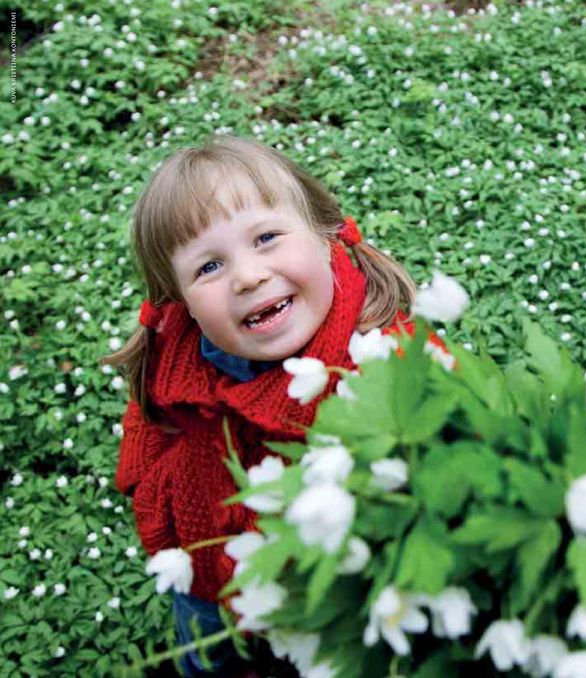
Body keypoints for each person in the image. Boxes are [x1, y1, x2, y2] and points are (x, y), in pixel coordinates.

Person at [101, 135, 447, 676]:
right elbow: (148, 419)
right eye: (208, 268)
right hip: (208, 568)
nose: (248, 275)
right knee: (207, 657)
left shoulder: (388, 358)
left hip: (328, 591)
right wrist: (149, 490)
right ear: (179, 299)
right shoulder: (172, 356)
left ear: (322, 232)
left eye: (266, 237)